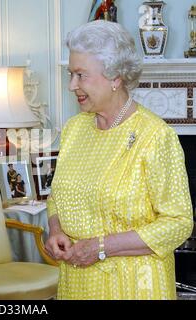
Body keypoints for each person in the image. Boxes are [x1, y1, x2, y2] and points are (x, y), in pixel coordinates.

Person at [45, 20, 193, 300]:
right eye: (70, 74)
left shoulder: (155, 136)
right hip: (76, 283)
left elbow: (179, 222)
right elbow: (57, 195)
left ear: (115, 78)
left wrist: (101, 247)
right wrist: (55, 230)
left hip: (134, 285)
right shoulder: (74, 129)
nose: (71, 85)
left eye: (80, 75)